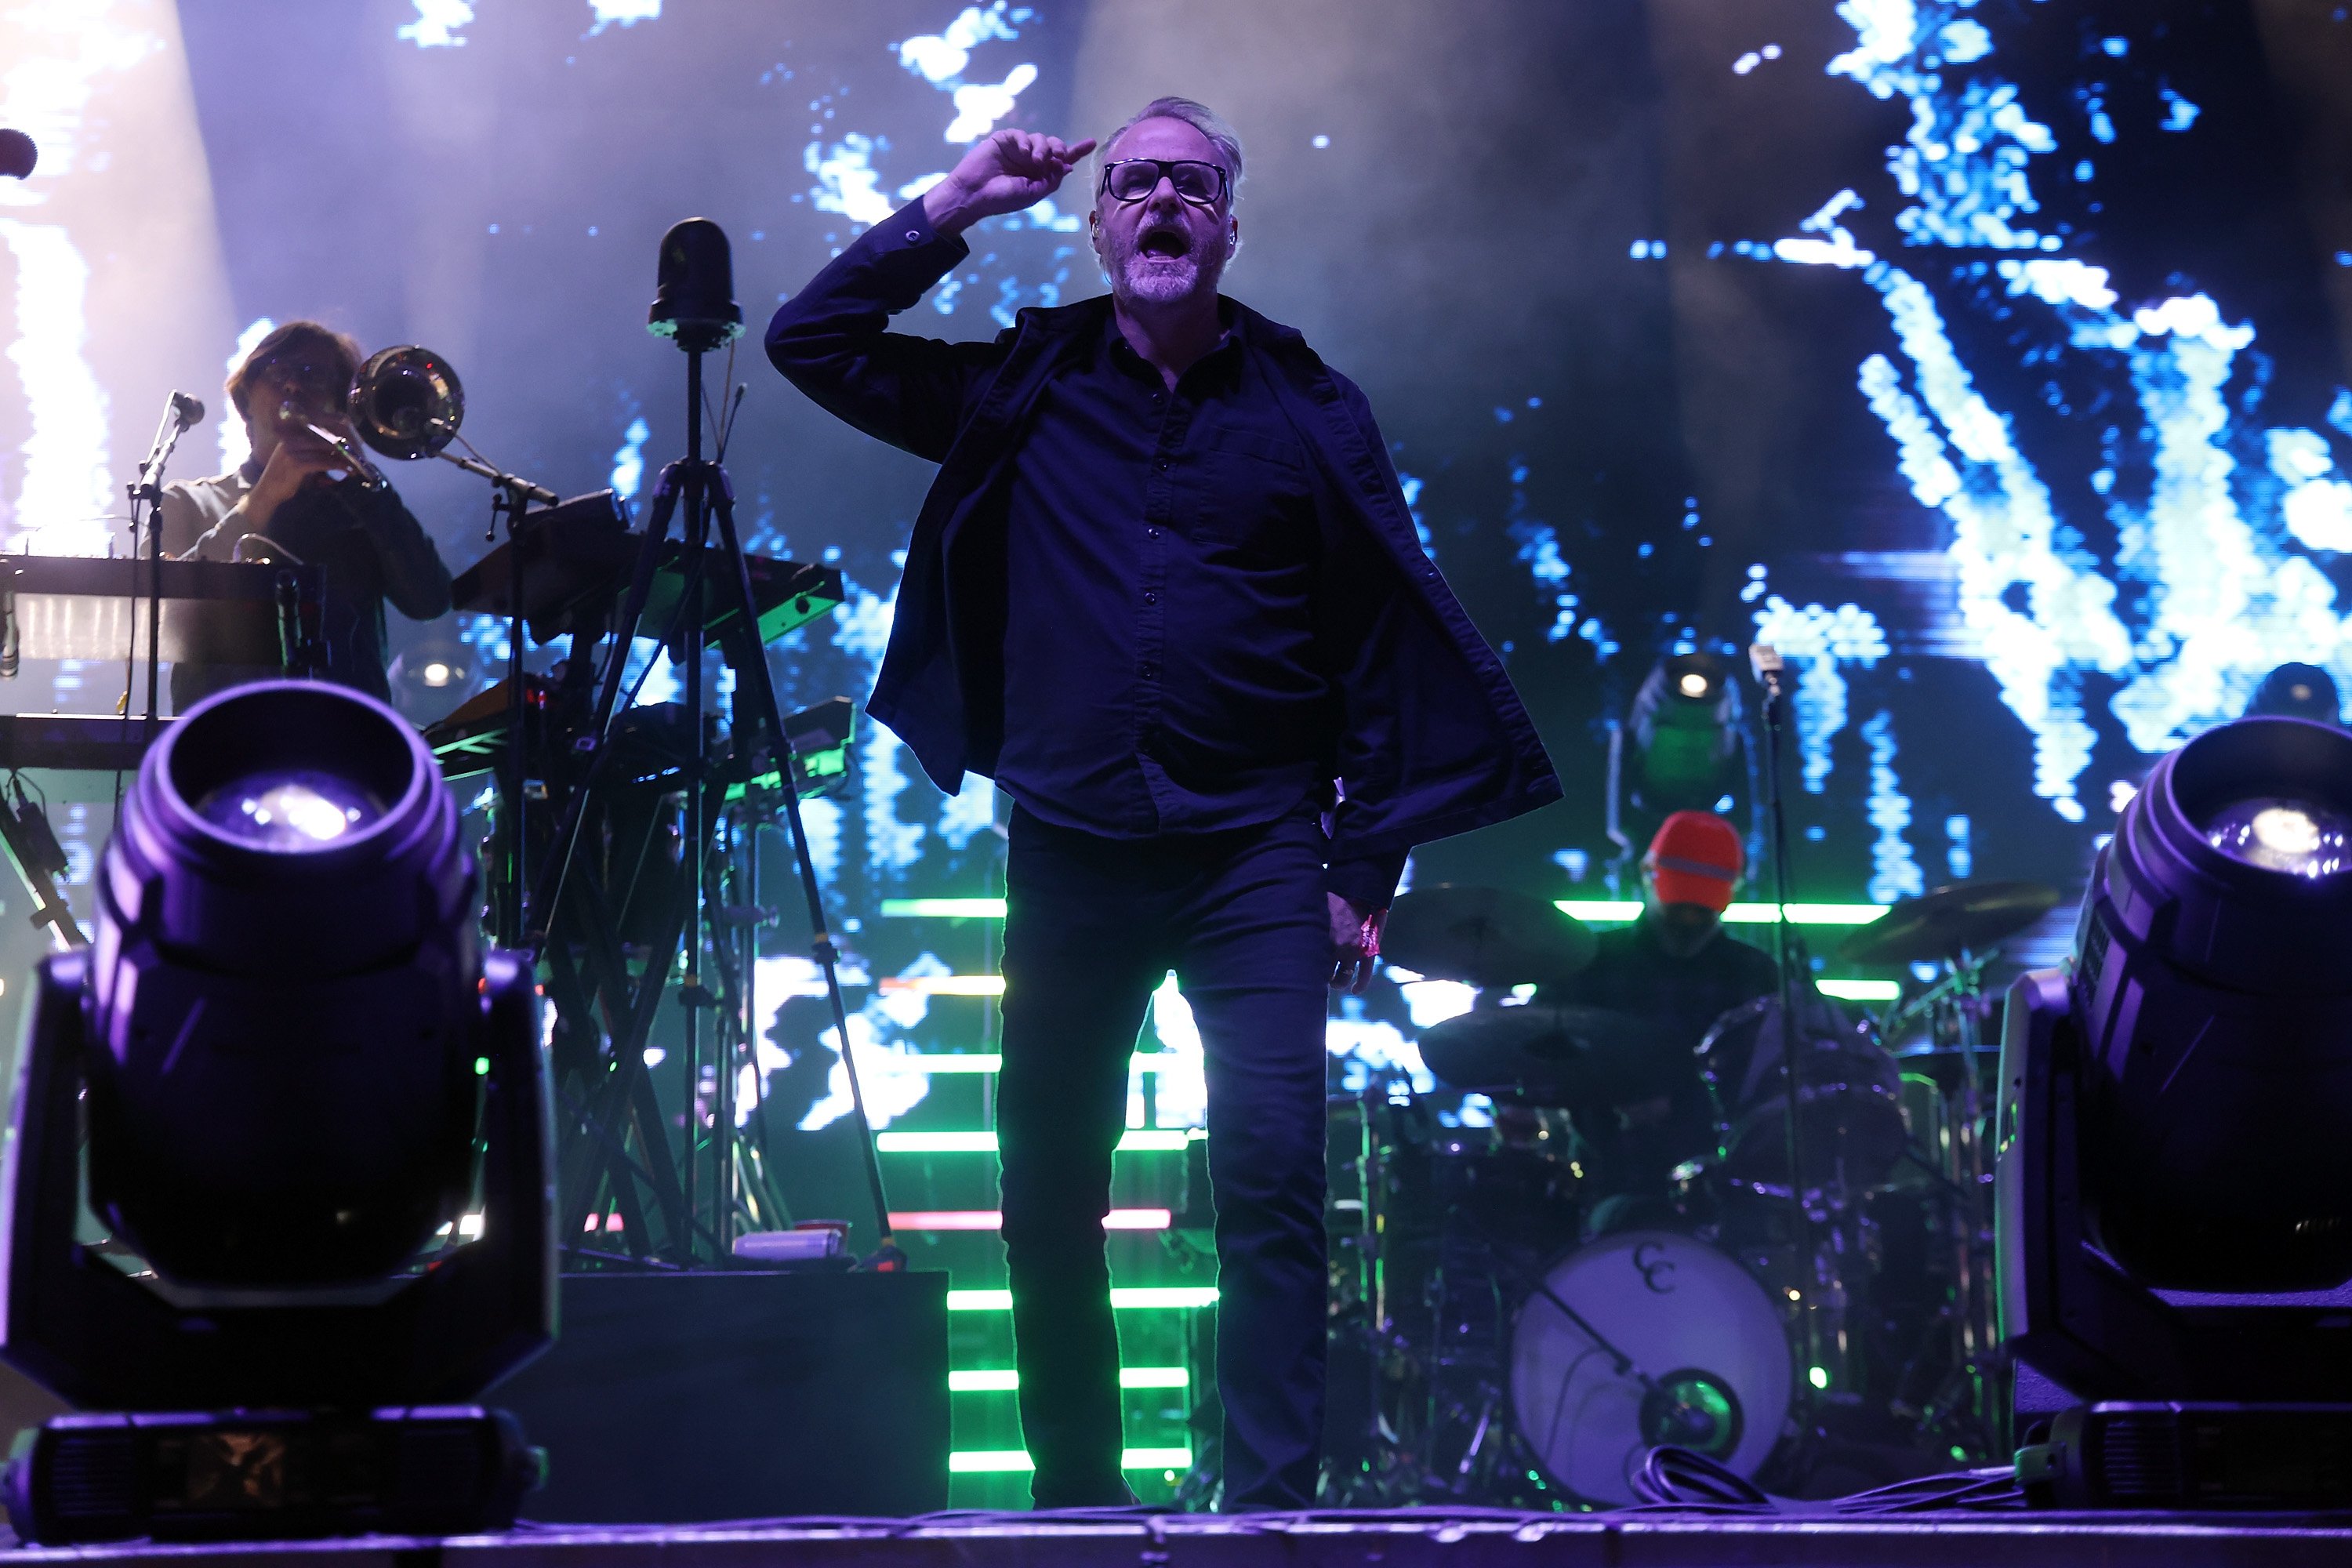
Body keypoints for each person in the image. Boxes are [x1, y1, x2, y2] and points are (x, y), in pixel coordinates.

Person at [768, 99, 1558, 1508]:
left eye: (1192, 185)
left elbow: (1379, 637)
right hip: (1073, 843)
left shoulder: (1310, 410)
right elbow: (808, 344)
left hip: (1256, 845)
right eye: (1135, 184)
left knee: (1268, 1175)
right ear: (1097, 221)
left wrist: (1361, 864)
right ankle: (1081, 1500)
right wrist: (955, 202)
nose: (1163, 205)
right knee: (1050, 1187)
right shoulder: (1025, 383)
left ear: (1230, 224)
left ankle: (1266, 1509)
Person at [159, 320, 452, 710]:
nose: (295, 387)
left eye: (313, 376)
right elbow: (158, 618)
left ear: (342, 403)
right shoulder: (187, 501)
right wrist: (263, 500)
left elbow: (430, 601)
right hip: (223, 743)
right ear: (245, 402)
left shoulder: (363, 508)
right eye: (278, 373)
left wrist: (372, 489)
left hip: (349, 745)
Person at [1552, 811, 1778, 1212]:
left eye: (1702, 909)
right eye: (1679, 906)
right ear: (1645, 874)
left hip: (1728, 1190)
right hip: (1601, 1175)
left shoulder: (1758, 975)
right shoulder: (1587, 964)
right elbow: (1531, 1054)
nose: (1689, 919)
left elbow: (1780, 1084)